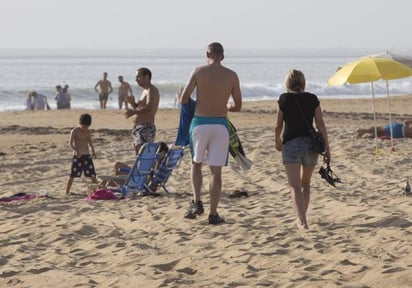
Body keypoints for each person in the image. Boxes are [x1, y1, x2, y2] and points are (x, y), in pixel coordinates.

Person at [179, 42, 242, 225]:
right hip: (220, 125)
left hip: (199, 123)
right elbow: (237, 105)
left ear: (207, 54)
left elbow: (184, 99)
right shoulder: (231, 75)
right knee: (216, 172)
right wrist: (225, 104)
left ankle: (197, 201)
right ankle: (213, 214)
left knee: (196, 163)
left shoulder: (198, 71)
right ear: (223, 56)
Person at [274, 69, 330, 230]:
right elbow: (320, 125)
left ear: (287, 84)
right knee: (305, 184)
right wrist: (327, 147)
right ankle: (302, 218)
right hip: (310, 145)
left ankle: (302, 221)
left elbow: (278, 125)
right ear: (302, 83)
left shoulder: (284, 99)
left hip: (290, 144)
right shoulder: (312, 99)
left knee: (294, 186)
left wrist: (276, 140)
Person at [125, 67, 160, 154]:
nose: (136, 80)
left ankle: (143, 167)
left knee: (143, 154)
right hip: (139, 127)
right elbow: (140, 108)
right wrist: (133, 103)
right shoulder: (145, 91)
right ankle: (140, 168)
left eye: (138, 77)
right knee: (138, 154)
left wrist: (133, 112)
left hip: (146, 127)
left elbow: (149, 107)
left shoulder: (151, 90)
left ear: (146, 77)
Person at [66, 114, 98, 195]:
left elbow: (90, 143)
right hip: (78, 156)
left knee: (92, 175)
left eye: (86, 127)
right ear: (80, 123)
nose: (84, 128)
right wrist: (76, 151)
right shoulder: (75, 130)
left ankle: (97, 191)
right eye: (83, 126)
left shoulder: (88, 132)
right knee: (73, 175)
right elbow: (70, 143)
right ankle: (67, 192)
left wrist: (93, 152)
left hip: (87, 155)